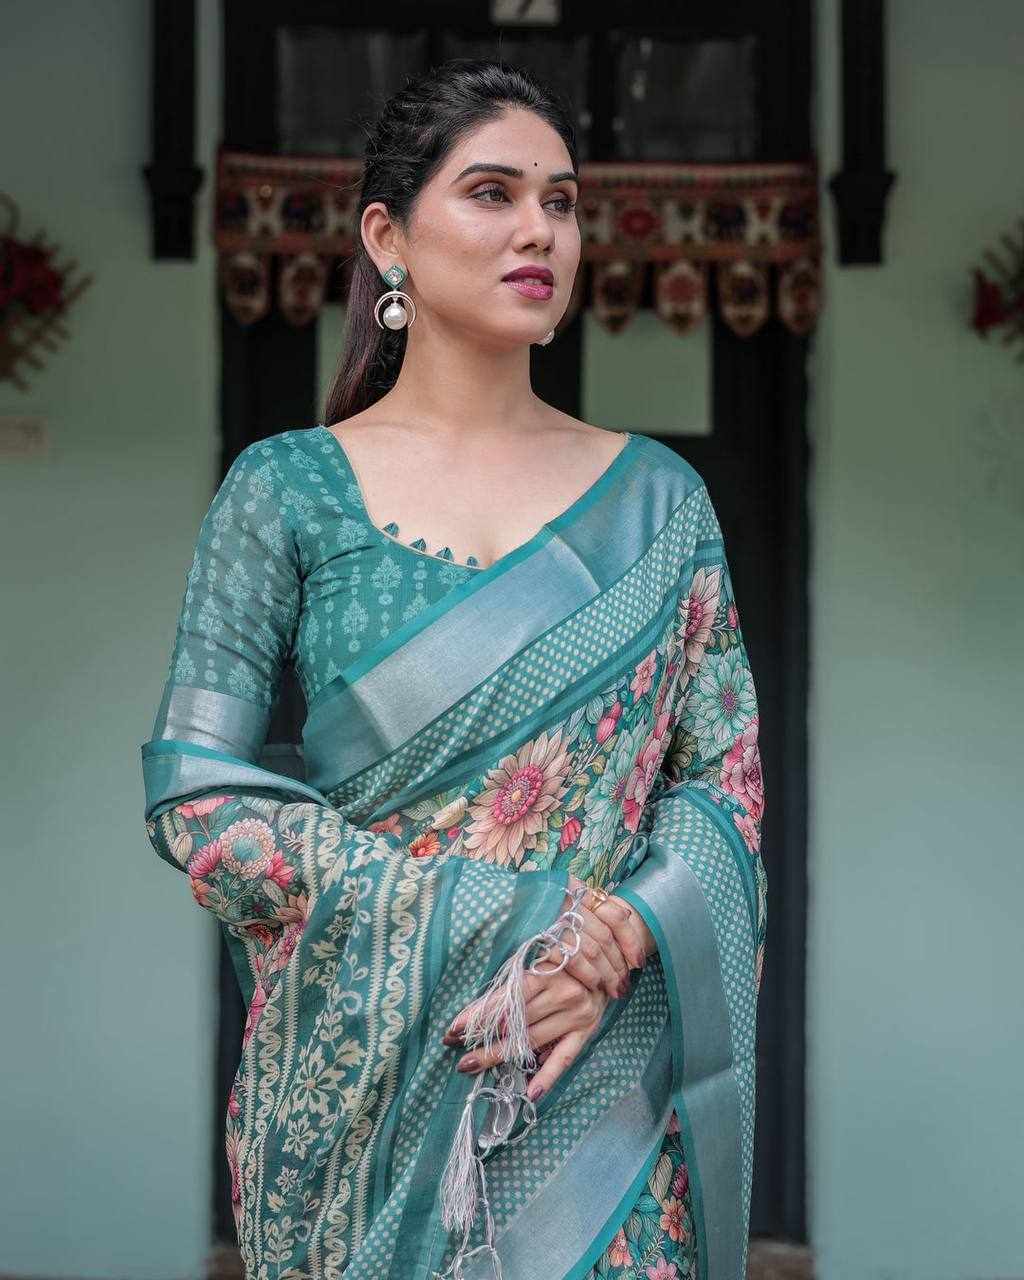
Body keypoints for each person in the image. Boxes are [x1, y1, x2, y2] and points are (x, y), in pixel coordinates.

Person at [141, 57, 766, 1280]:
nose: (540, 229)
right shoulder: (287, 488)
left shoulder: (660, 505)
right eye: (492, 193)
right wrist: (509, 923)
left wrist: (619, 941)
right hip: (355, 1112)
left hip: (595, 1088)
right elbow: (194, 790)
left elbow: (724, 781)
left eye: (561, 201)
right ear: (388, 237)